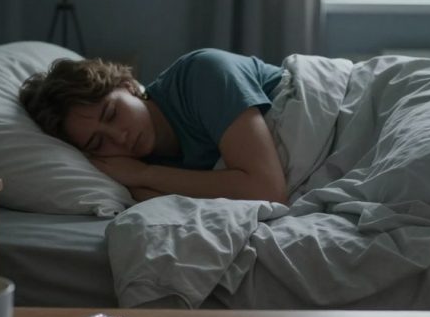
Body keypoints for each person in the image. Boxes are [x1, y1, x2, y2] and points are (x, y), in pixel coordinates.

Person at [19, 48, 288, 204]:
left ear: (128, 86)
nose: (119, 137)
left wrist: (145, 174)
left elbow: (267, 191)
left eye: (112, 113)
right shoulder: (127, 173)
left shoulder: (202, 74)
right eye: (98, 143)